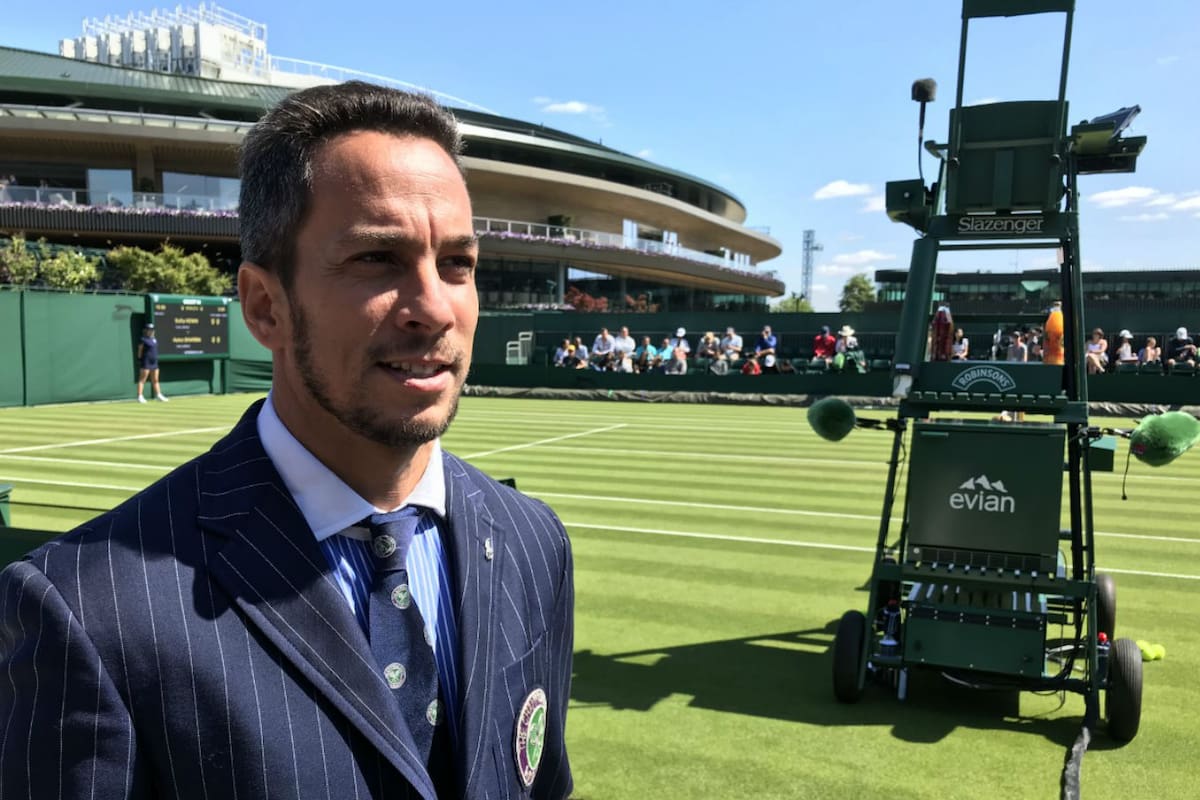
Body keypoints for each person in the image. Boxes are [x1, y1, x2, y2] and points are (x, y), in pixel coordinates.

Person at [0, 82, 574, 800]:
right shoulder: (85, 607)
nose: (434, 306)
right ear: (265, 306)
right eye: (376, 259)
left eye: (457, 263)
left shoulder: (532, 542)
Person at [135, 322, 168, 402]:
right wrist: (139, 359)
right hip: (146, 362)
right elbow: (140, 350)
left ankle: (159, 395)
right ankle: (140, 396)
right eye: (149, 330)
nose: (151, 331)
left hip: (154, 363)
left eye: (152, 330)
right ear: (146, 330)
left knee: (155, 379)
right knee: (142, 380)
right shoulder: (143, 339)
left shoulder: (154, 339)